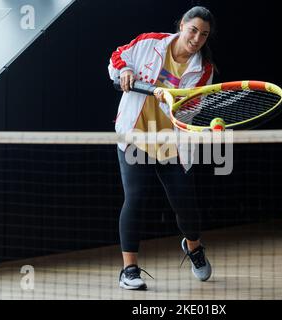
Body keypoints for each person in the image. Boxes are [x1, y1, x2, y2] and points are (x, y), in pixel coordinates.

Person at [108, 6, 216, 290]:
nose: (196, 39)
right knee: (135, 196)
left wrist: (170, 100)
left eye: (203, 35)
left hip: (171, 143)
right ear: (181, 25)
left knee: (185, 206)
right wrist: (126, 70)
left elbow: (191, 109)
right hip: (135, 136)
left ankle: (193, 247)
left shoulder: (203, 70)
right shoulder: (150, 42)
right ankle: (129, 270)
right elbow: (118, 56)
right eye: (192, 30)